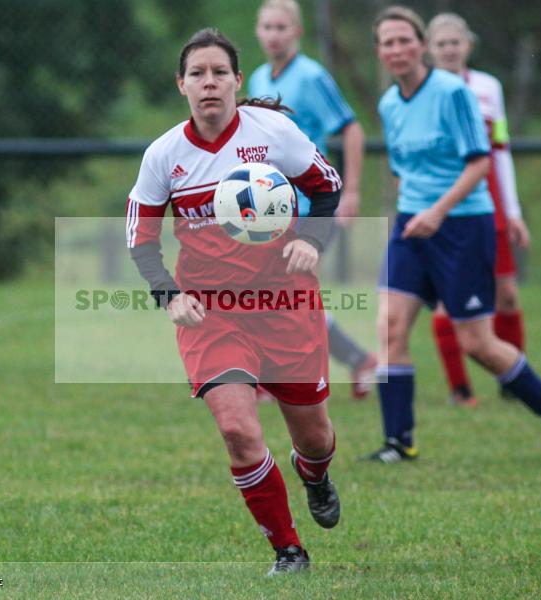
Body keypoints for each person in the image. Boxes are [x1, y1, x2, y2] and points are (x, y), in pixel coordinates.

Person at [126, 28, 343, 575]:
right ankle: (288, 550)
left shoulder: (273, 134)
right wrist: (168, 295)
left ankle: (314, 474)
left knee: (315, 437)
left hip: (285, 303)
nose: (208, 83)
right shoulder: (165, 155)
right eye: (197, 74)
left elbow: (327, 187)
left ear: (237, 81)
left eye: (219, 72)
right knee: (238, 431)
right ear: (181, 85)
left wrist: (310, 241)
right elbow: (140, 237)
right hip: (211, 310)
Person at [361, 6, 541, 463]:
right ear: (379, 52)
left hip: (462, 224)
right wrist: (412, 211)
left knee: (476, 344)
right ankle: (399, 442)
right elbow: (403, 169)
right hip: (412, 224)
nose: (397, 49)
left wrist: (438, 211)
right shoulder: (387, 104)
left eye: (404, 40)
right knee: (388, 326)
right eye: (387, 42)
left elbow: (479, 162)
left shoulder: (451, 92)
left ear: (421, 46)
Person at [249, 0, 377, 399]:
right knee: (276, 293)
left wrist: (351, 190)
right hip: (272, 208)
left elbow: (351, 129)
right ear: (258, 32)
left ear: (297, 32)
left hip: (312, 206)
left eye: (281, 27)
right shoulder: (256, 79)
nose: (273, 34)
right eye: (267, 27)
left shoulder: (311, 76)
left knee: (291, 293)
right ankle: (356, 360)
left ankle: (290, 377)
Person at [427, 12, 530, 407]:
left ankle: (512, 380)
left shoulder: (489, 88)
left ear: (468, 45)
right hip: (442, 207)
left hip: (489, 206)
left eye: (456, 42)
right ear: (429, 50)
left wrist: (513, 210)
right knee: (444, 299)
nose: (450, 49)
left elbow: (499, 152)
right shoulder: (425, 92)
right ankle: (460, 388)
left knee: (506, 294)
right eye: (441, 44)